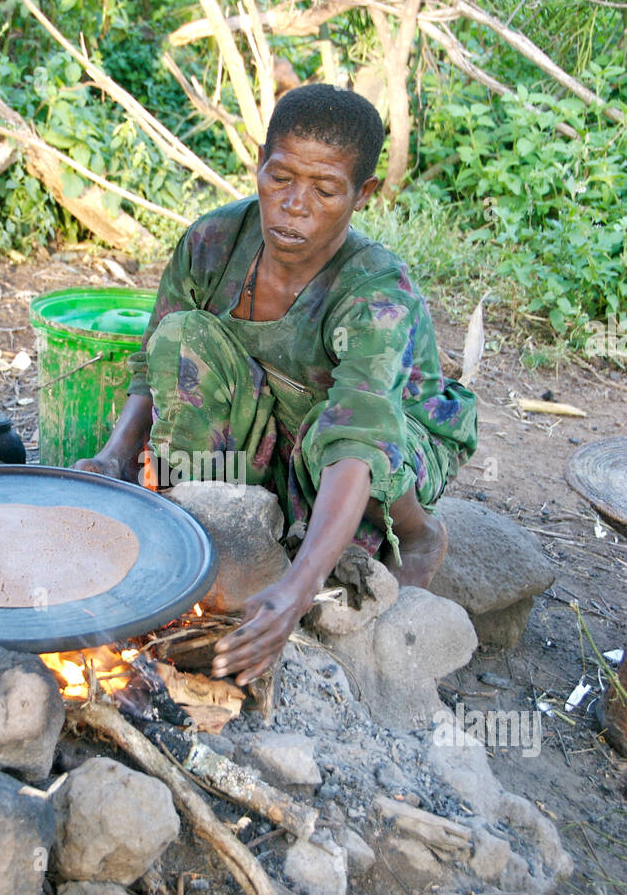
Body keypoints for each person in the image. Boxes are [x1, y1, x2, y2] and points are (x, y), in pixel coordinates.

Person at [76, 85, 477, 687]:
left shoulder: (375, 291)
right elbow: (151, 361)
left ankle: (418, 532)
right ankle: (232, 526)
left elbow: (356, 438)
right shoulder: (212, 243)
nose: (294, 206)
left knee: (335, 511)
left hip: (383, 436)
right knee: (187, 336)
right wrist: (113, 461)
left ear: (362, 195)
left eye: (324, 190)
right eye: (281, 177)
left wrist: (295, 590)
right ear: (259, 162)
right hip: (273, 412)